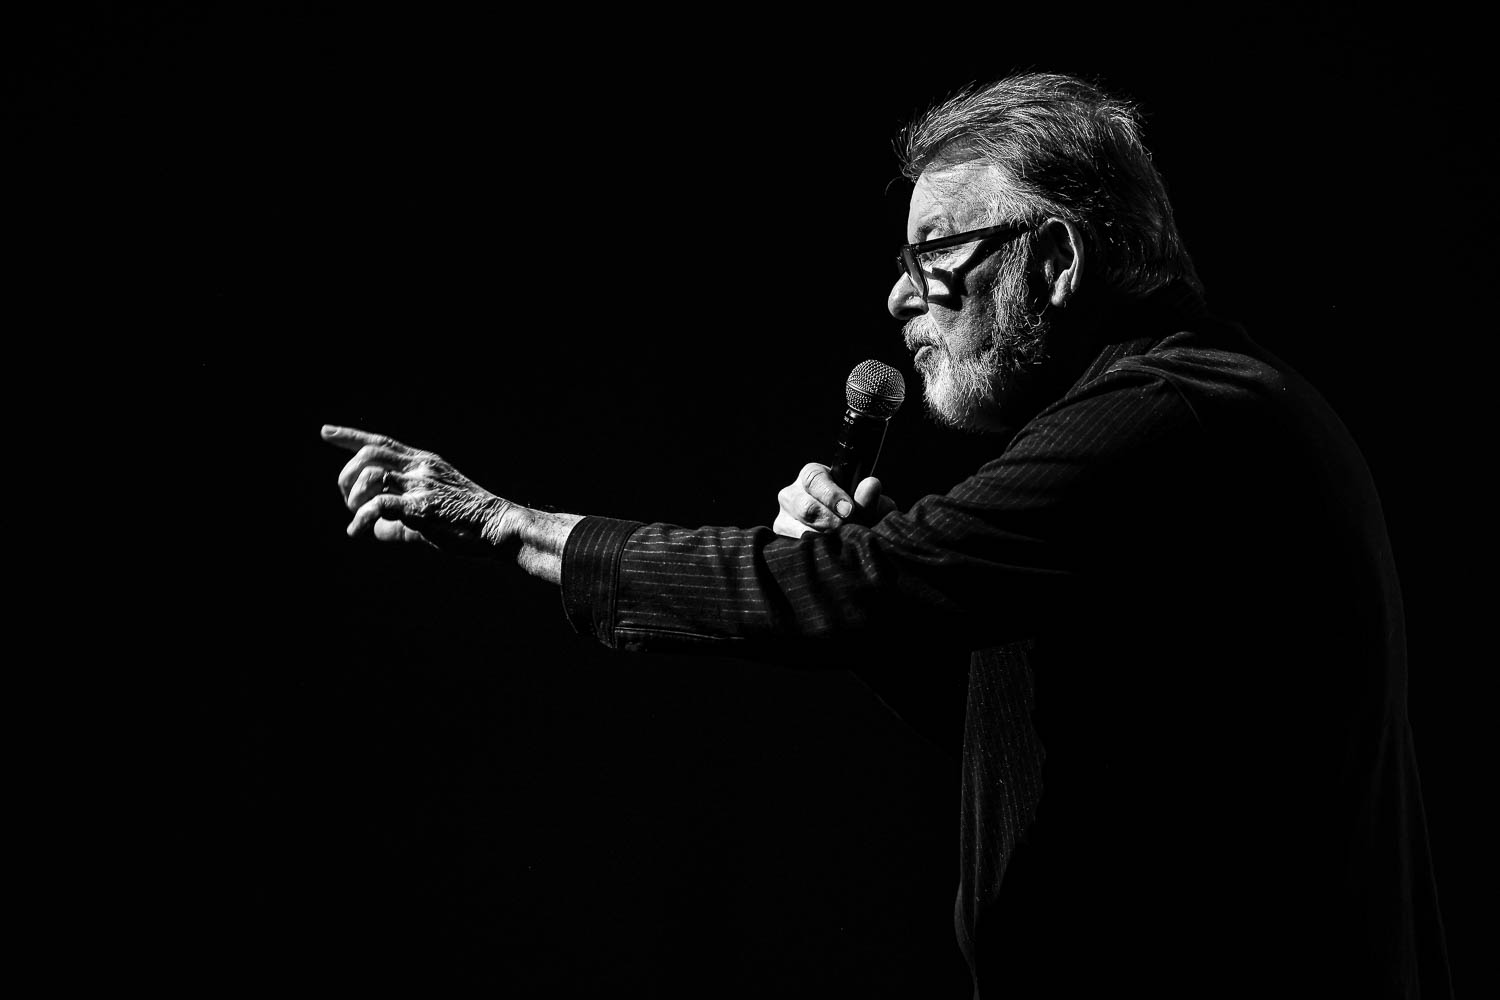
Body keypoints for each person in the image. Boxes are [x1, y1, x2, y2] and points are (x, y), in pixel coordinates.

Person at [323, 73, 1450, 997]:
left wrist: (512, 525)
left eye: (935, 258)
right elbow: (1042, 736)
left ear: (1053, 262)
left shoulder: (1177, 414)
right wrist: (865, 594)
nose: (902, 300)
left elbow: (883, 583)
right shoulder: (1173, 418)